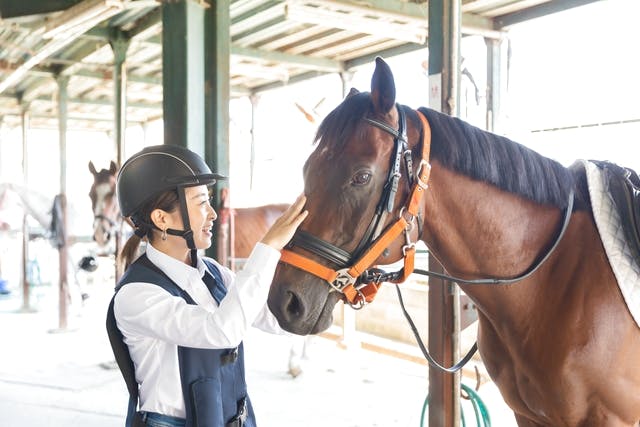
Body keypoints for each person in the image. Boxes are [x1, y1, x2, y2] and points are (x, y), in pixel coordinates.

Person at [106, 144, 307, 427]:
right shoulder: (136, 295)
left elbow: (278, 320)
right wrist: (268, 246)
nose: (212, 214)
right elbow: (221, 331)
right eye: (201, 203)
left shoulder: (213, 274)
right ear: (161, 219)